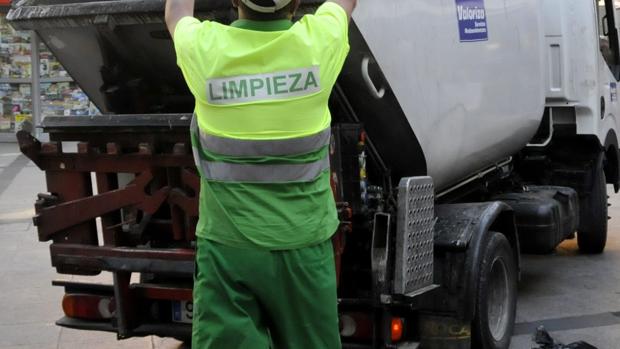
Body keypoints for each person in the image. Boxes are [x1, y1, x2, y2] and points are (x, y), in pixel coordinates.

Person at [165, 0, 356, 347]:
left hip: (229, 250)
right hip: (304, 248)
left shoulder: (207, 50)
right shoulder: (317, 44)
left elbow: (176, 13)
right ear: (296, 2)